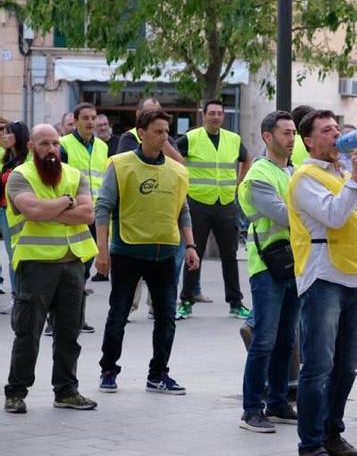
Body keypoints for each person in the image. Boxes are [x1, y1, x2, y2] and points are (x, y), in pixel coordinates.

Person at [95, 110, 199, 396]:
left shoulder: (178, 170)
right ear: (141, 133)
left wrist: (190, 246)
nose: (164, 137)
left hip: (165, 254)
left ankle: (158, 374)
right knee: (118, 314)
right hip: (127, 251)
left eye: (167, 132)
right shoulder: (120, 164)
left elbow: (183, 210)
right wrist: (102, 251)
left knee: (167, 317)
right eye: (158, 131)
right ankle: (108, 369)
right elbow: (103, 207)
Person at [288, 109, 357, 456]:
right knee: (319, 366)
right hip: (323, 278)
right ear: (308, 140)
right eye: (326, 130)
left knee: (347, 366)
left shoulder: (341, 175)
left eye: (337, 128)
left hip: (354, 278)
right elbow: (336, 217)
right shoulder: (305, 177)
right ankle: (310, 444)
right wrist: (356, 178)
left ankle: (332, 433)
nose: (335, 135)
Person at [3, 124, 99, 414]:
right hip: (36, 265)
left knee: (69, 333)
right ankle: (16, 393)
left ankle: (67, 391)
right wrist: (66, 203)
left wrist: (52, 210)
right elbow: (31, 210)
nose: (51, 149)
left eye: (55, 143)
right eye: (44, 143)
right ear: (31, 147)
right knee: (28, 332)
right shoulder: (19, 176)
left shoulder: (74, 174)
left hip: (73, 265)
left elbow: (88, 213)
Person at [237, 111, 300, 432]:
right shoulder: (259, 174)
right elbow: (283, 214)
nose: (292, 139)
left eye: (294, 133)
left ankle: (277, 403)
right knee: (264, 339)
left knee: (287, 340)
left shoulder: (293, 171)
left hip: (295, 263)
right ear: (267, 137)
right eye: (286, 133)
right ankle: (251, 410)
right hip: (268, 265)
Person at [175, 99, 252, 320]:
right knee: (194, 253)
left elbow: (246, 159)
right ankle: (186, 301)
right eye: (212, 113)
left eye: (219, 113)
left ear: (223, 116)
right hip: (198, 203)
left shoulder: (233, 139)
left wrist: (238, 184)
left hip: (225, 204)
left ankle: (235, 303)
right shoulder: (191, 138)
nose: (216, 117)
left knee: (229, 255)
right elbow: (172, 154)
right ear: (204, 115)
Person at [58, 102, 105, 333]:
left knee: (83, 271)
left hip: (95, 215)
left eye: (93, 117)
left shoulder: (102, 147)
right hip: (73, 213)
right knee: (67, 268)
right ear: (75, 121)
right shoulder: (64, 145)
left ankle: (78, 318)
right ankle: (56, 320)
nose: (90, 122)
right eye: (85, 118)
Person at [0, 121, 30, 314]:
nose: (3, 136)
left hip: (18, 213)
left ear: (17, 137)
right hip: (4, 211)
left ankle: (20, 297)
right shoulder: (7, 157)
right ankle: (17, 296)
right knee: (12, 256)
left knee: (17, 256)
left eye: (8, 133)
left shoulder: (26, 159)